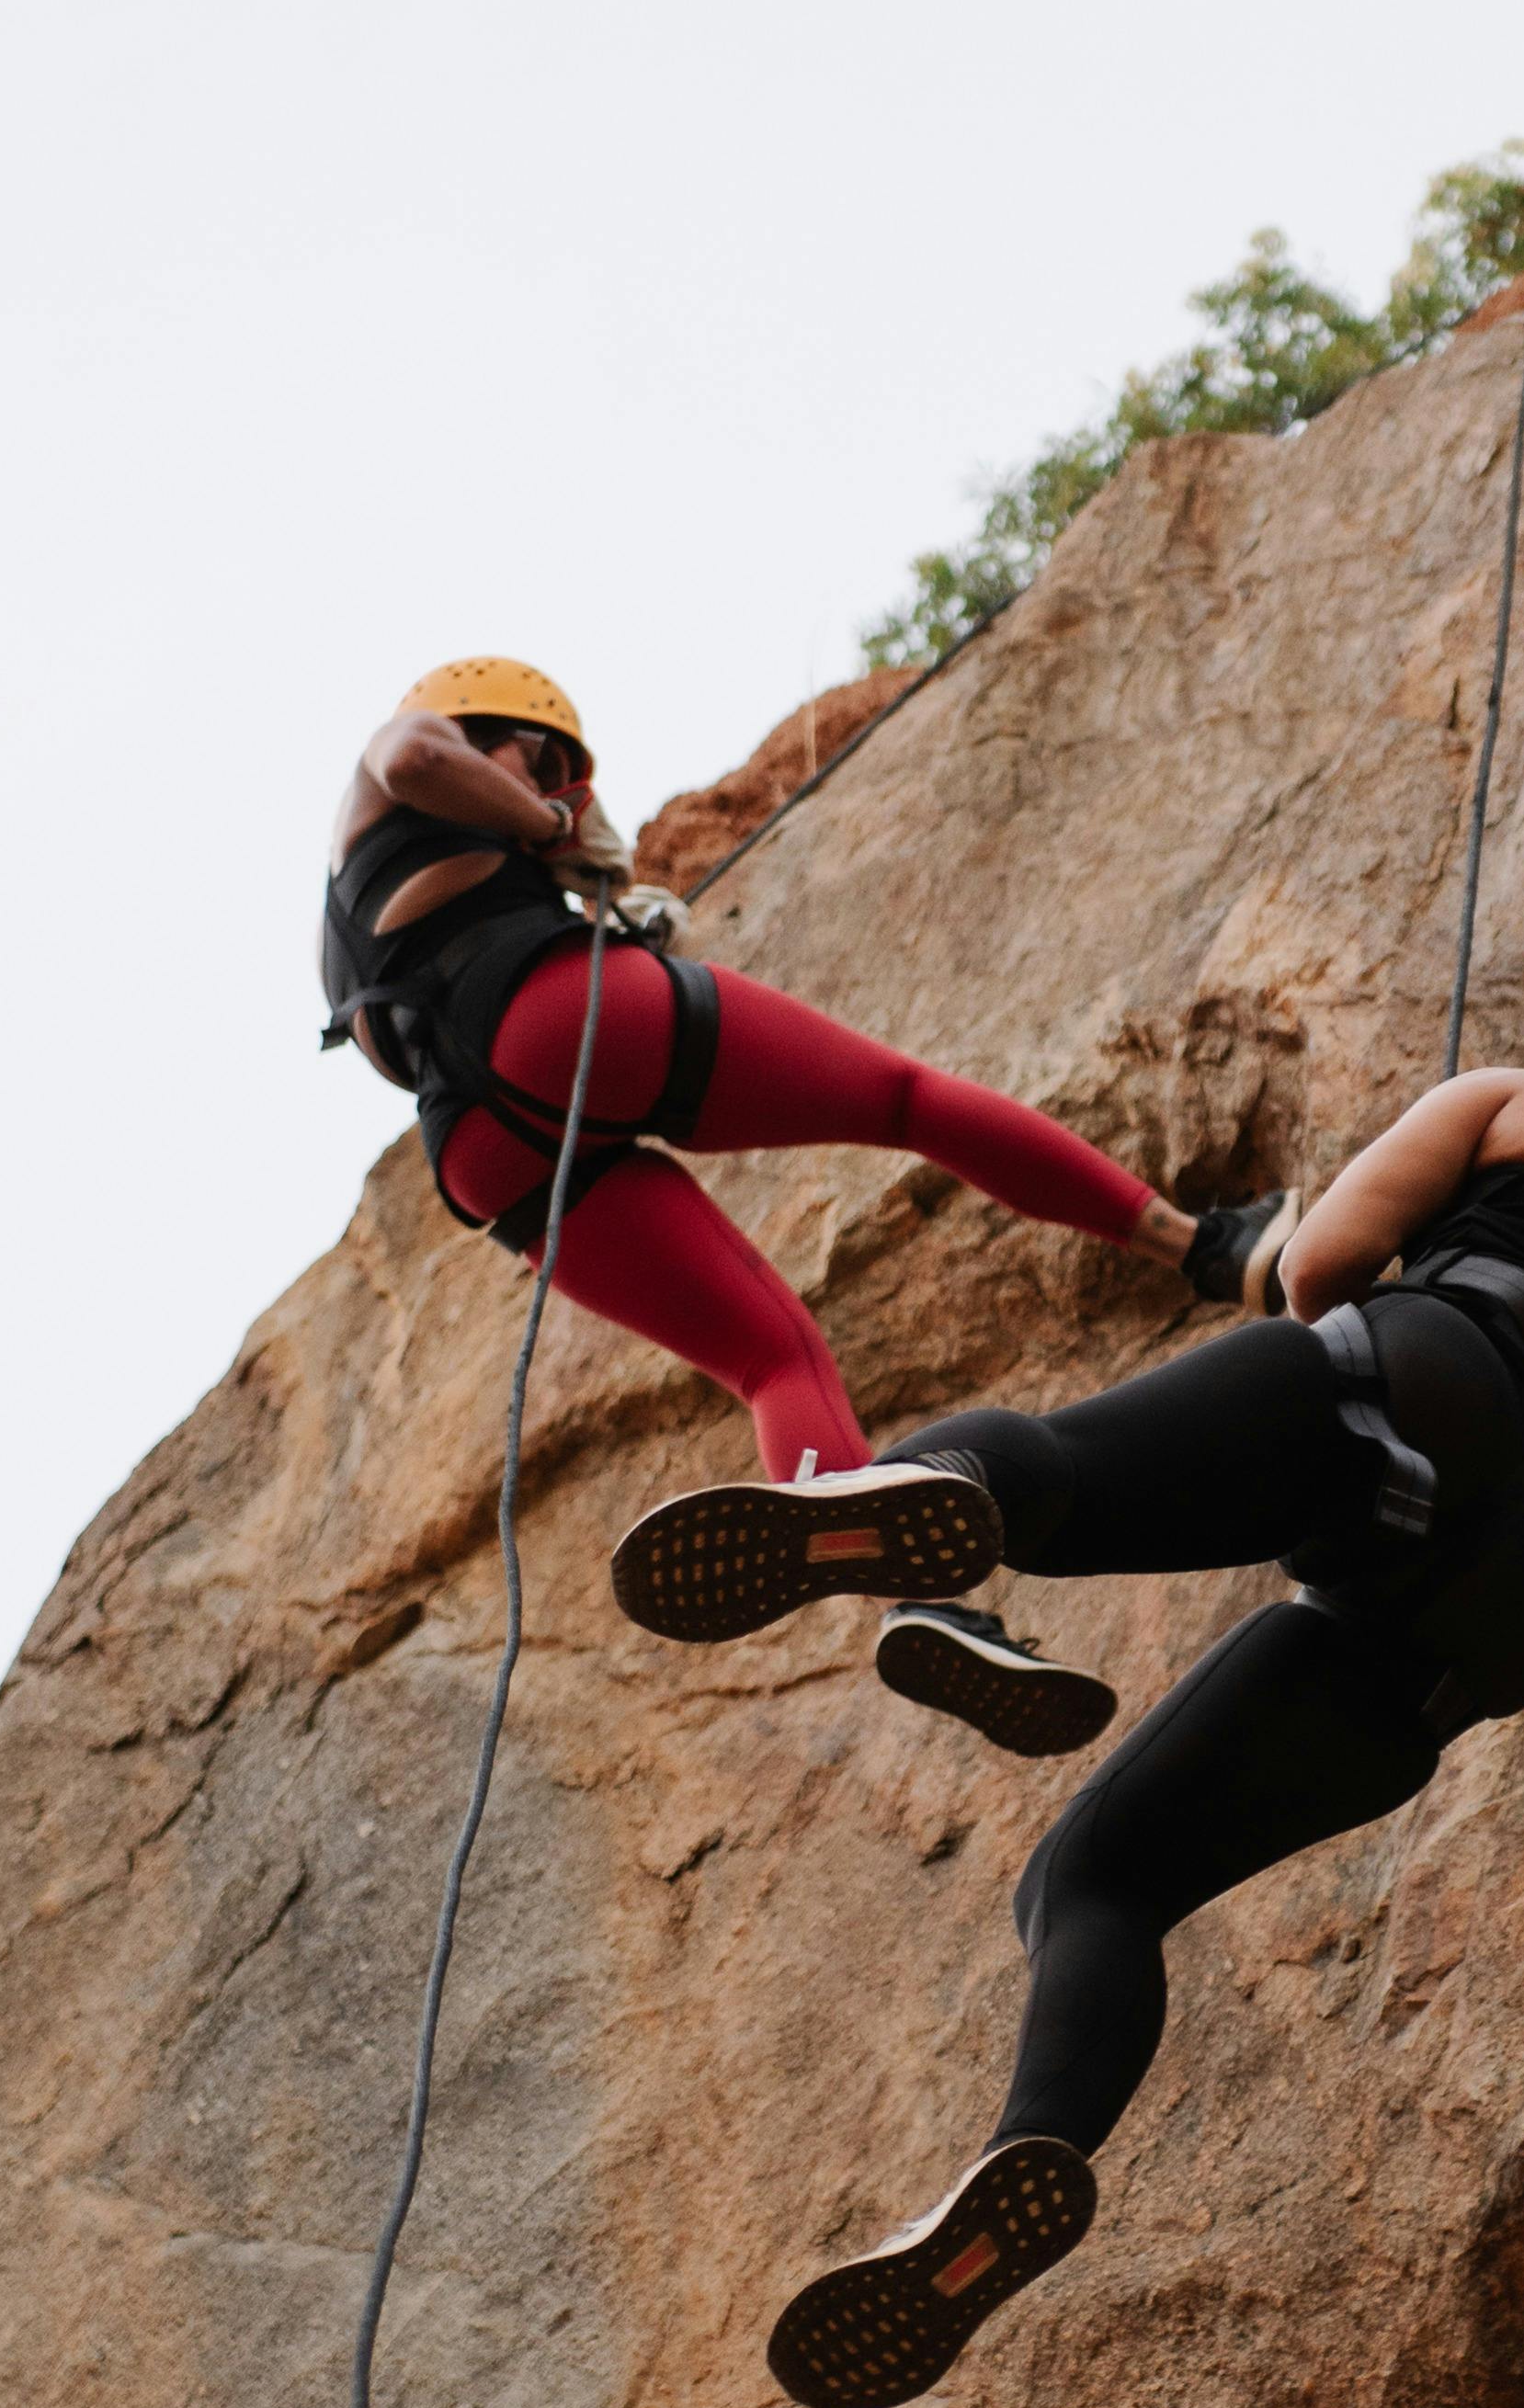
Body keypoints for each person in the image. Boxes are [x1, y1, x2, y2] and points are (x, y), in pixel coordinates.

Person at [607, 998, 1524, 2408]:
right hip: (1493, 1617)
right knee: (1110, 1878)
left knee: (1057, 1482)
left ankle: (908, 1505)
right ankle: (1029, 2147)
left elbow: (1318, 1261)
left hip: (1424, 1382)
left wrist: (1315, 1410)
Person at [324, 657, 1298, 1755]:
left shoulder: (354, 917)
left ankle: (915, 1603)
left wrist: (582, 896)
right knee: (906, 1101)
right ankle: (1212, 1246)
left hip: (478, 1149)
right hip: (551, 1015)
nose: (556, 791)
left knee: (771, 1358)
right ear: (481, 719)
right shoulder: (404, 752)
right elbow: (417, 757)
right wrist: (550, 830)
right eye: (543, 759)